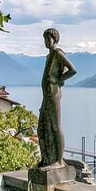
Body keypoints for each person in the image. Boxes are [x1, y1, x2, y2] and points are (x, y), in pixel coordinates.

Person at [37, 28, 77, 169]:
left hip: (53, 93)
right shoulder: (49, 56)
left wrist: (58, 79)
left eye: (48, 39)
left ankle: (59, 161)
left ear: (55, 39)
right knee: (42, 127)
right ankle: (47, 158)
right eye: (45, 39)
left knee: (55, 126)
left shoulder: (58, 53)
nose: (46, 42)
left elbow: (73, 70)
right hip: (47, 95)